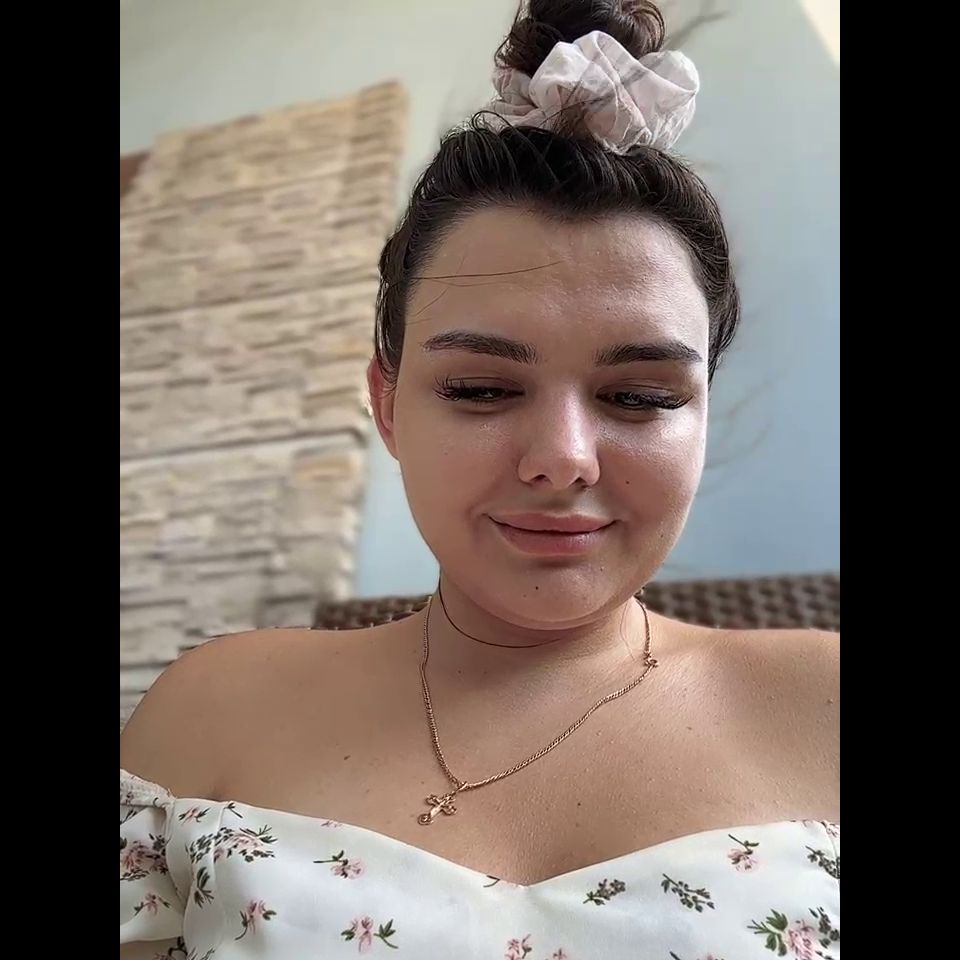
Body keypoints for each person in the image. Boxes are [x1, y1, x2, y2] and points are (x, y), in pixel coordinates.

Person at [120, 1, 839, 956]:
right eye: (481, 389)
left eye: (639, 397)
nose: (564, 457)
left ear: (701, 415)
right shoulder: (208, 710)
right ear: (387, 406)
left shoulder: (825, 706)